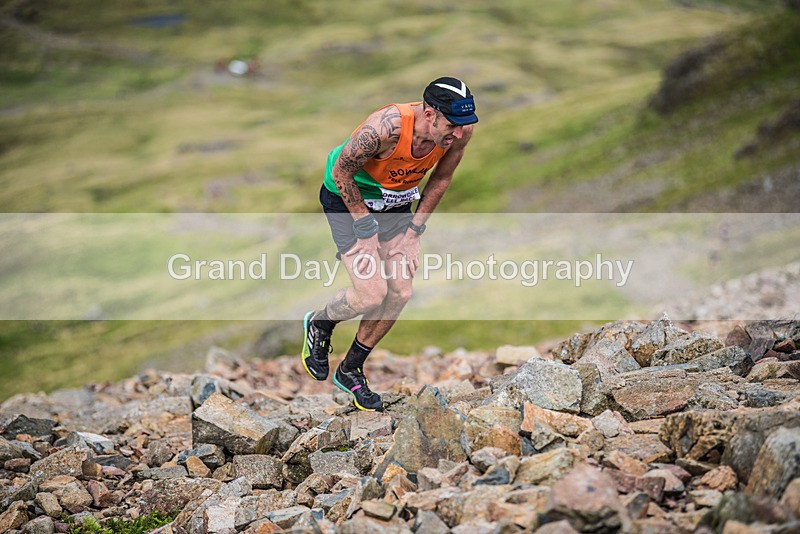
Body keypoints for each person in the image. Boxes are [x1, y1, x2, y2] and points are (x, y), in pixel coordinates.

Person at [301, 76, 478, 411]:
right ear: (429, 114)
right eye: (452, 125)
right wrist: (365, 231)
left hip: (395, 200)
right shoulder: (384, 129)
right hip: (348, 197)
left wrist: (414, 233)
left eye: (465, 125)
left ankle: (351, 368)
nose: (458, 134)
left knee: (400, 291)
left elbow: (441, 177)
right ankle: (321, 323)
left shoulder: (460, 131)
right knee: (371, 293)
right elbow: (342, 172)